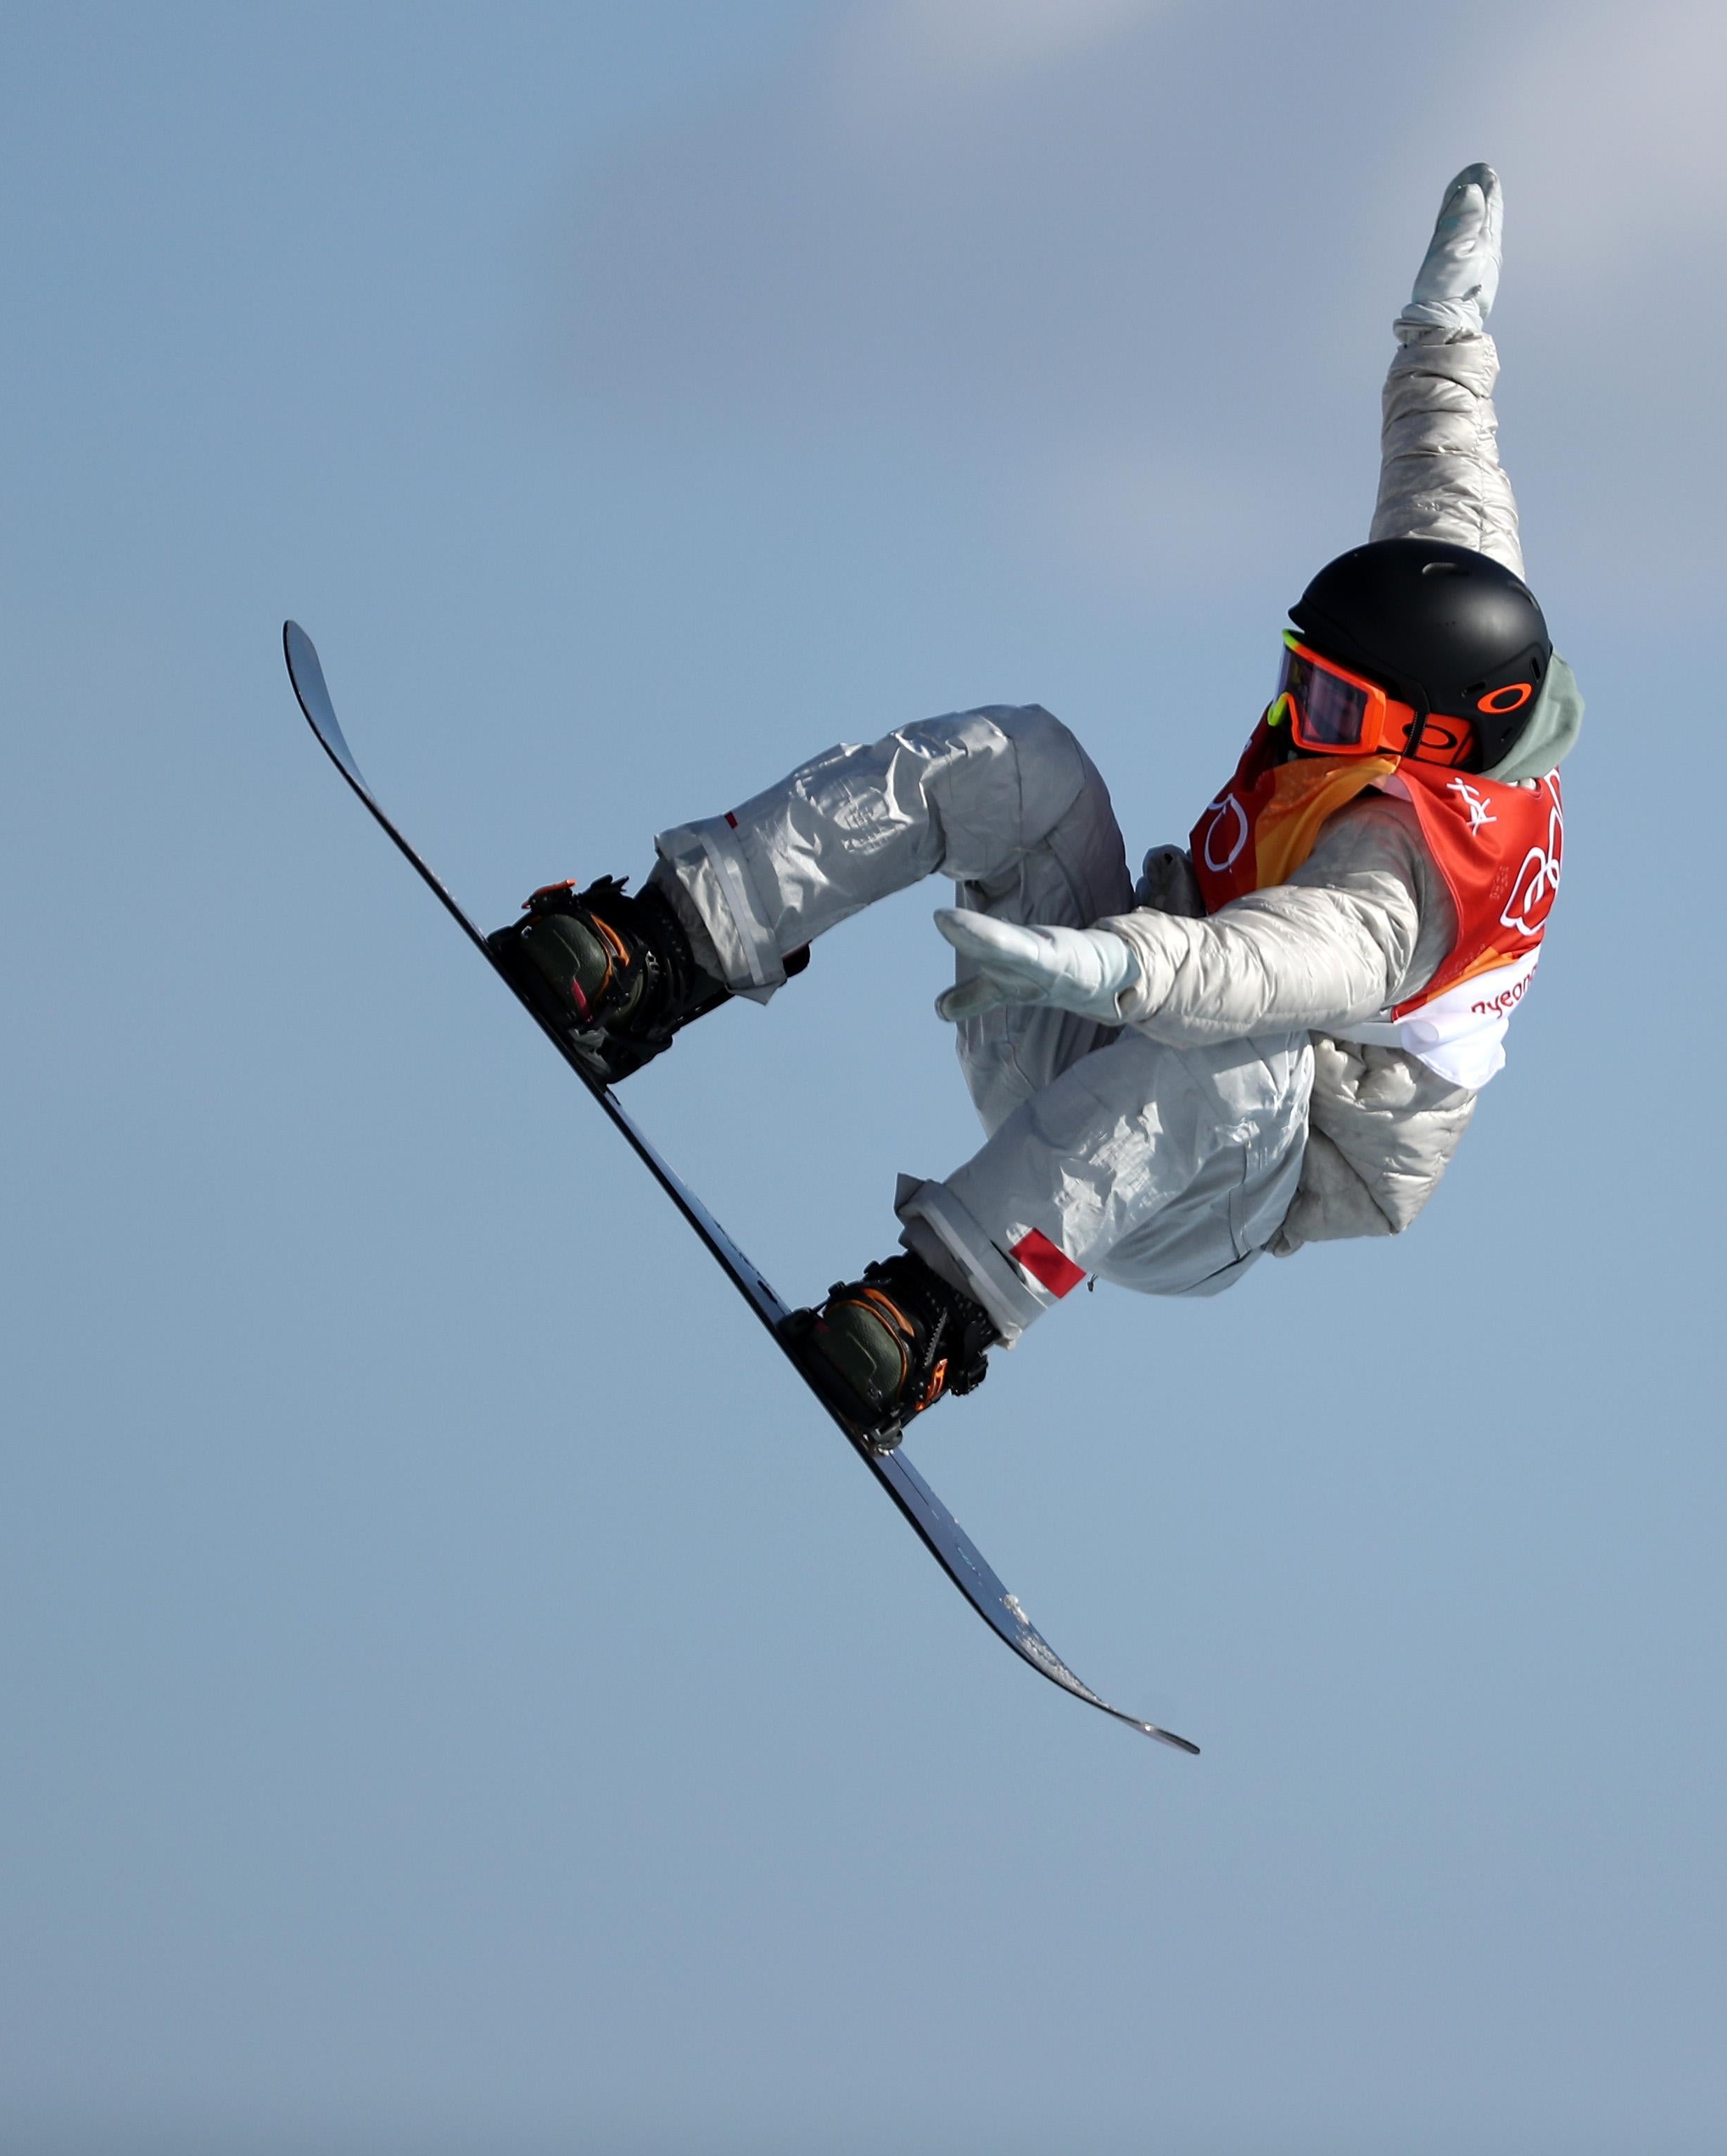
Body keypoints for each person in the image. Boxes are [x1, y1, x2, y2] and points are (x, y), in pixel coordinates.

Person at [485, 164, 1576, 1448]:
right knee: (1025, 760)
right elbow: (1445, 464)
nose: (1301, 721)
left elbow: (1267, 968)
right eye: (1302, 681)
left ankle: (929, 1319)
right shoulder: (1457, 629)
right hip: (1080, 1022)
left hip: (1209, 1180)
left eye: (1335, 712)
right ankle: (663, 951)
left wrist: (1102, 962)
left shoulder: (1412, 882)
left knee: (1242, 1045)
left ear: (1435, 742)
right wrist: (1444, 326)